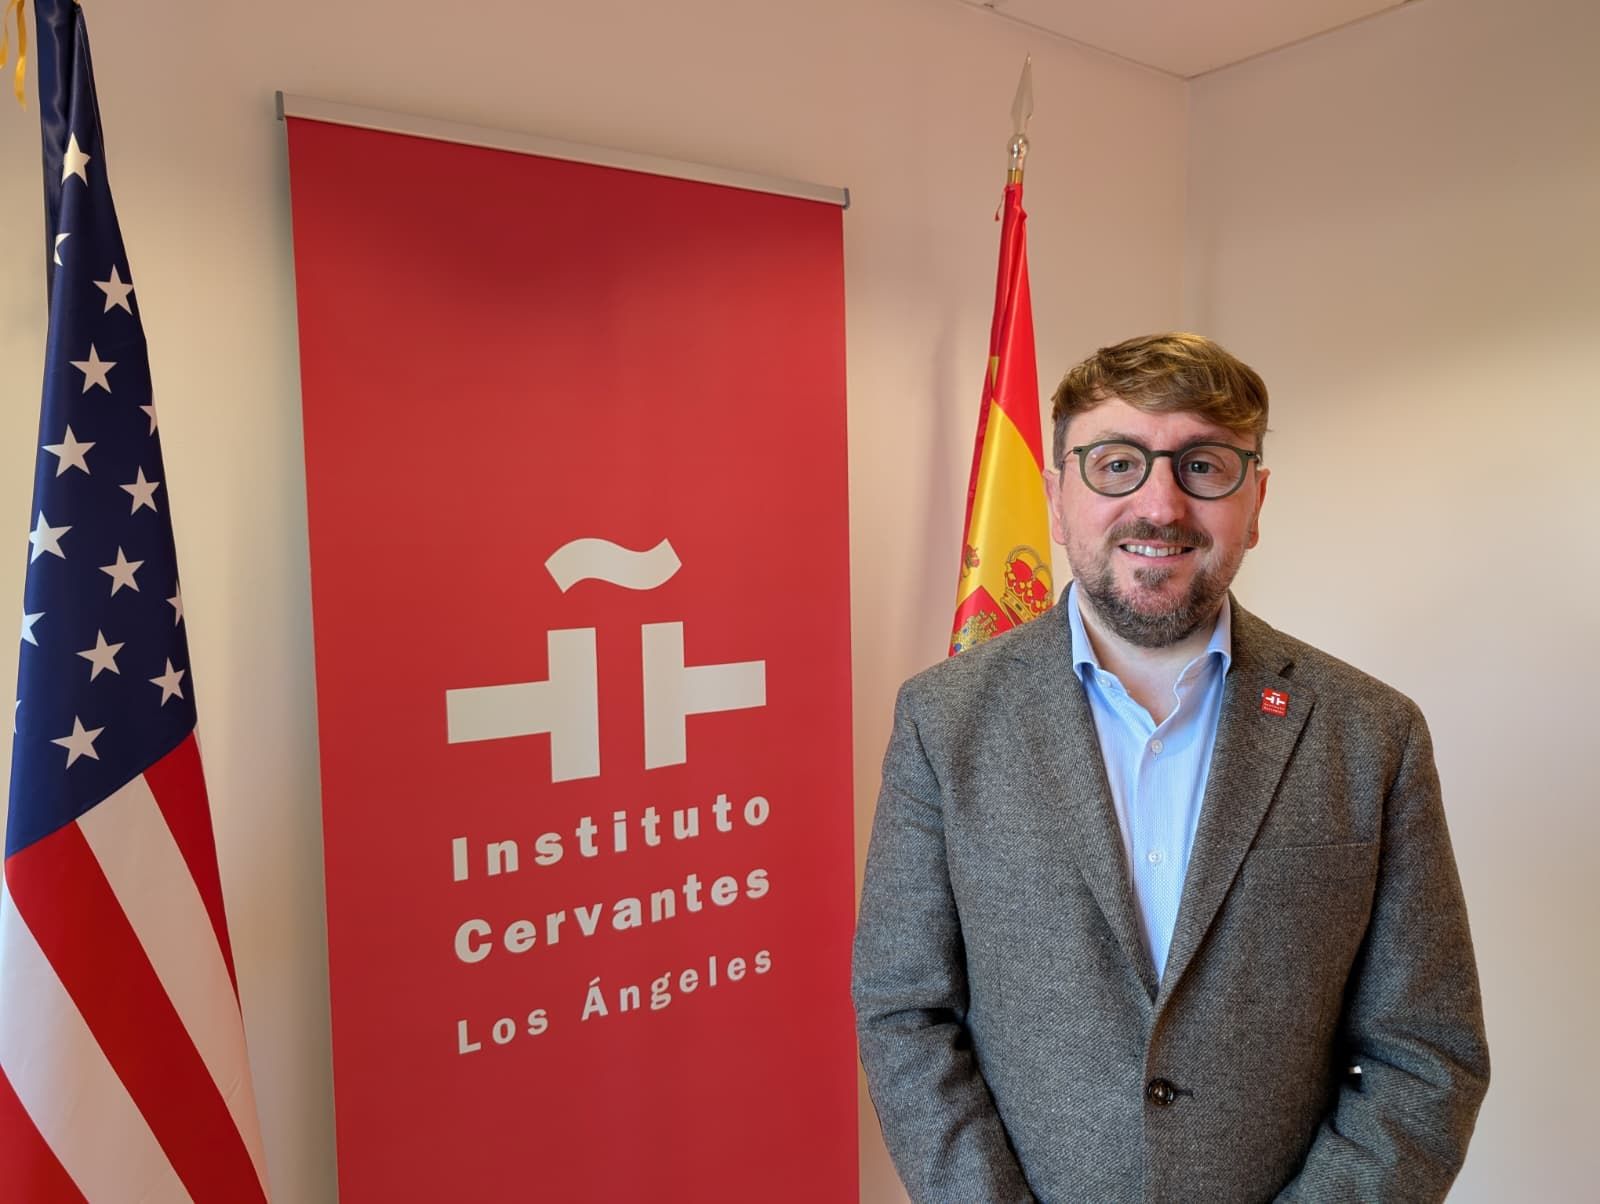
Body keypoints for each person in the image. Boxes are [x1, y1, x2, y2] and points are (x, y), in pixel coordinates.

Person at [851, 333, 1489, 1202]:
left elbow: (1426, 1052)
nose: (1160, 504)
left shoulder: (1371, 733)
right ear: (1057, 493)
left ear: (1255, 500)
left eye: (1203, 465)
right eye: (1117, 463)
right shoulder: (944, 720)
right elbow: (906, 1014)